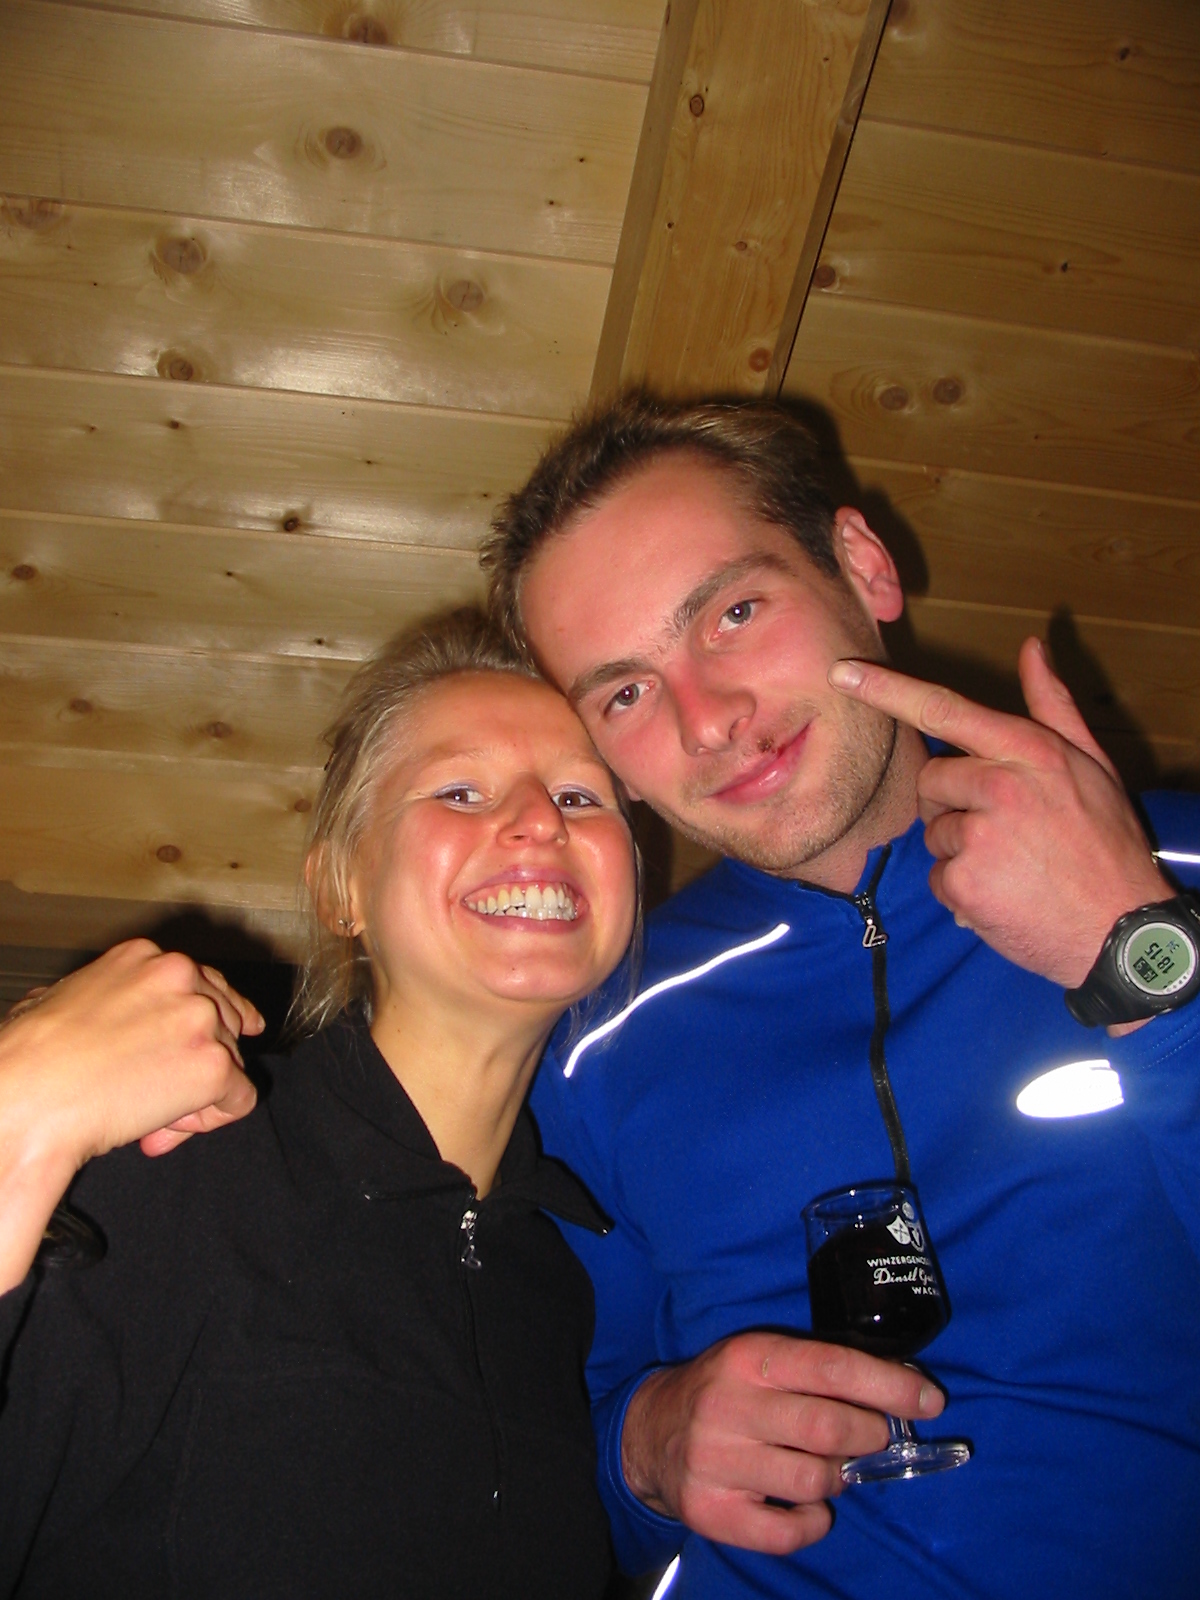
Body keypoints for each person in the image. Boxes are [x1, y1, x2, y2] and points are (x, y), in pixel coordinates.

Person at [479, 394, 1200, 1598]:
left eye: (734, 612)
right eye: (625, 694)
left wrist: (1135, 952)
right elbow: (540, 1490)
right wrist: (646, 1446)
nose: (710, 721)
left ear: (862, 567)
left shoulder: (1176, 879)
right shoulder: (590, 1044)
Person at [0, 610, 639, 1599]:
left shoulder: (561, 1285)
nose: (540, 820)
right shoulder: (168, 1168)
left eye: (579, 795)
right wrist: (21, 1097)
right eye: (460, 790)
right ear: (343, 886)